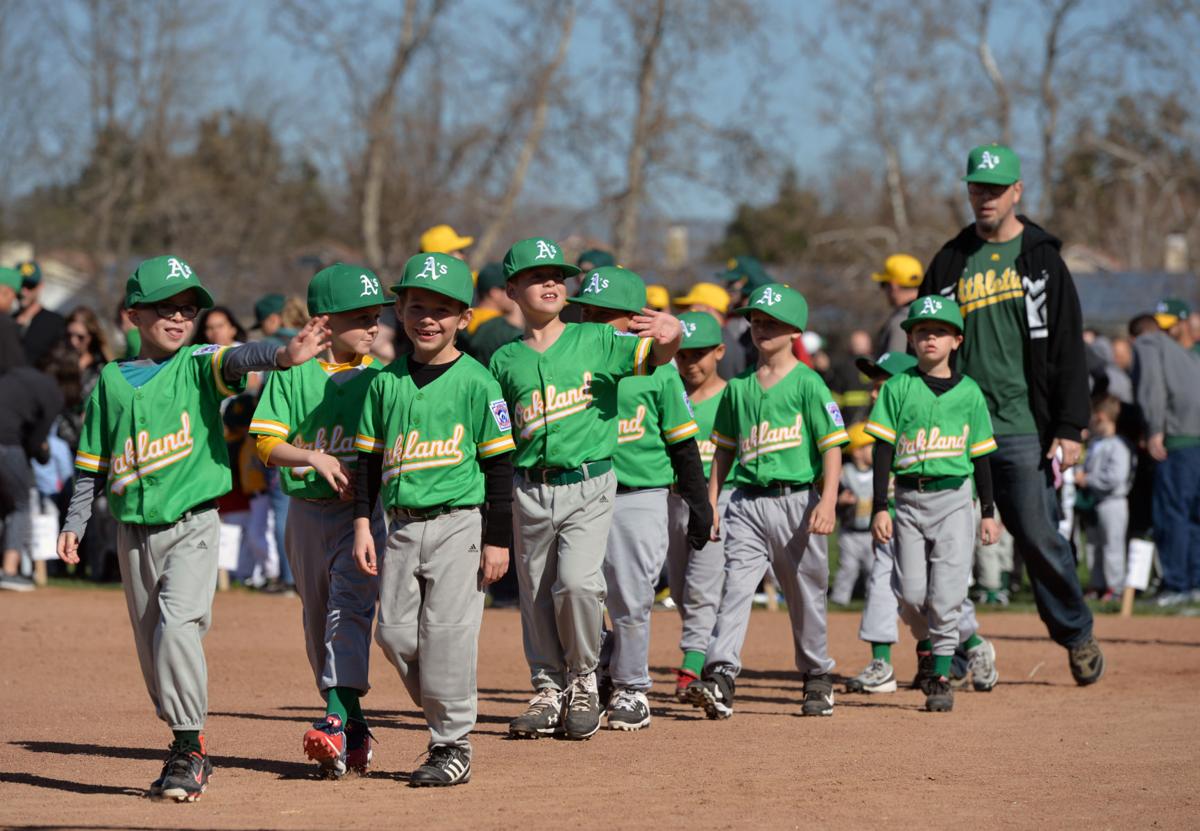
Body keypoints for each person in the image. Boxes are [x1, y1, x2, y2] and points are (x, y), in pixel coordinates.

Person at [56, 255, 330, 801]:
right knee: (153, 649)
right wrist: (75, 519)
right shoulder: (111, 380)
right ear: (133, 314)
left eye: (188, 308)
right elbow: (91, 460)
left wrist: (282, 355)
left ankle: (189, 751)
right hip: (132, 532)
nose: (180, 317)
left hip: (194, 524)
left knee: (178, 626)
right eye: (165, 307)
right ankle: (185, 732)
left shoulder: (199, 362)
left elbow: (238, 357)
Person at [919, 143, 1104, 686]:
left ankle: (1075, 632)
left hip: (1023, 424)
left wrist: (1069, 427)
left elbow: (1068, 346)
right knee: (942, 539)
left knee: (1039, 535)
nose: (985, 198)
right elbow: (924, 340)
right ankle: (947, 649)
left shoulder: (1042, 259)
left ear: (1017, 192)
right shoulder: (951, 261)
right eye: (977, 188)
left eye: (996, 189)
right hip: (955, 428)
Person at [489, 237, 681, 741]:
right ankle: (547, 689)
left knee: (576, 584)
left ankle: (583, 681)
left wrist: (672, 334)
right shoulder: (503, 360)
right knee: (534, 595)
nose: (551, 282)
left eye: (558, 275)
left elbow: (656, 353)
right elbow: (492, 434)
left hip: (589, 482)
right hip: (530, 487)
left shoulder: (595, 340)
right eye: (536, 276)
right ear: (511, 289)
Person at [354, 252, 515, 786]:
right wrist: (362, 523)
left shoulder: (478, 382)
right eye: (417, 305)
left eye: (443, 309)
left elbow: (499, 466)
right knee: (396, 636)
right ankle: (447, 716)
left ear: (464, 319)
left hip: (459, 524)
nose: (429, 318)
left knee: (447, 635)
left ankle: (451, 743)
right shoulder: (385, 381)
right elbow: (369, 463)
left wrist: (498, 540)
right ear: (399, 311)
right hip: (399, 526)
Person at [249, 263, 391, 777]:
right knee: (316, 622)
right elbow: (265, 442)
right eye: (362, 317)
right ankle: (353, 725)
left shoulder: (383, 377)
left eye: (376, 316)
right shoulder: (293, 375)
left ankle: (331, 720)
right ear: (326, 322)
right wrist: (312, 457)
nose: (374, 327)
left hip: (364, 515)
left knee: (348, 614)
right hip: (307, 512)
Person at [685, 283, 849, 719]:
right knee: (734, 589)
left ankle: (817, 676)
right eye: (756, 321)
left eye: (772, 322)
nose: (762, 329)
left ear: (795, 329)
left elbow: (832, 446)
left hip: (797, 501)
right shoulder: (737, 389)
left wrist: (828, 500)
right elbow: (722, 450)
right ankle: (720, 676)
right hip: (748, 503)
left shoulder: (809, 384)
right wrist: (713, 501)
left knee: (806, 595)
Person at [572, 267, 707, 731]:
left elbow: (683, 442)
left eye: (605, 315)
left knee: (631, 599)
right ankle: (601, 664)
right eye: (587, 312)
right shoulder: (573, 362)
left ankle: (632, 688)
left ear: (636, 320)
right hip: (582, 492)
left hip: (641, 494)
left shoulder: (659, 370)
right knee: (576, 594)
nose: (593, 322)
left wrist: (698, 503)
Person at [866, 297, 999, 712]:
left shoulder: (970, 393)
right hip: (907, 498)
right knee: (909, 595)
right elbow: (883, 450)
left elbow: (981, 457)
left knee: (946, 595)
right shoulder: (897, 387)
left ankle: (940, 674)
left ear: (956, 340)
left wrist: (989, 512)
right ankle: (951, 646)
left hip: (955, 499)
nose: (929, 338)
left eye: (939, 331)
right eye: (922, 331)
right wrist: (879, 506)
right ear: (910, 338)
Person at [665, 312, 735, 699]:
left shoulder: (731, 397)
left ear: (720, 351)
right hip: (673, 500)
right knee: (678, 587)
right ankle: (709, 655)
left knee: (700, 587)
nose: (690, 363)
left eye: (699, 354)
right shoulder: (671, 393)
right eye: (683, 355)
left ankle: (691, 666)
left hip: (715, 500)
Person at [1131, 311, 1200, 606]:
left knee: (1172, 515)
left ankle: (1176, 585)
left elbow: (1152, 389)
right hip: (1195, 441)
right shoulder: (1188, 354)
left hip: (1176, 441)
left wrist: (1155, 428)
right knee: (1194, 517)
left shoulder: (1149, 343)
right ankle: (1194, 583)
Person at [0, 314, 63, 591]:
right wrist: (43, 453)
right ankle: (10, 570)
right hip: (6, 442)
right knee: (22, 503)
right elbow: (37, 444)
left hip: (7, 439)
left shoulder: (15, 374)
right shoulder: (52, 392)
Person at [1076, 395, 1134, 599]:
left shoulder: (1119, 445)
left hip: (1113, 502)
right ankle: (1097, 584)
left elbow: (1117, 477)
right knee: (1093, 545)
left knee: (1113, 545)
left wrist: (1088, 479)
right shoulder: (1095, 443)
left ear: (1101, 417)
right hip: (1095, 501)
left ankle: (1115, 586)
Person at [829, 423, 874, 606]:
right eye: (869, 447)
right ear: (856, 451)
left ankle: (875, 600)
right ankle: (839, 600)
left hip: (872, 533)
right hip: (850, 532)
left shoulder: (878, 473)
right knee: (848, 567)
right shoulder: (844, 474)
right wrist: (840, 501)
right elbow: (832, 502)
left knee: (874, 568)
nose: (874, 450)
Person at [462, 262, 523, 366]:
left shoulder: (462, 320)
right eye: (510, 289)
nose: (514, 294)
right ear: (494, 292)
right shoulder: (504, 330)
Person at [13, 261, 67, 366]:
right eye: (20, 284)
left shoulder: (55, 323)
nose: (23, 291)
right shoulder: (8, 321)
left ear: (40, 286)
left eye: (30, 285)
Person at [871, 254, 923, 356]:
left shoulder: (900, 321)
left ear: (893, 285)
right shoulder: (932, 314)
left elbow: (893, 365)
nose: (884, 290)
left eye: (883, 284)